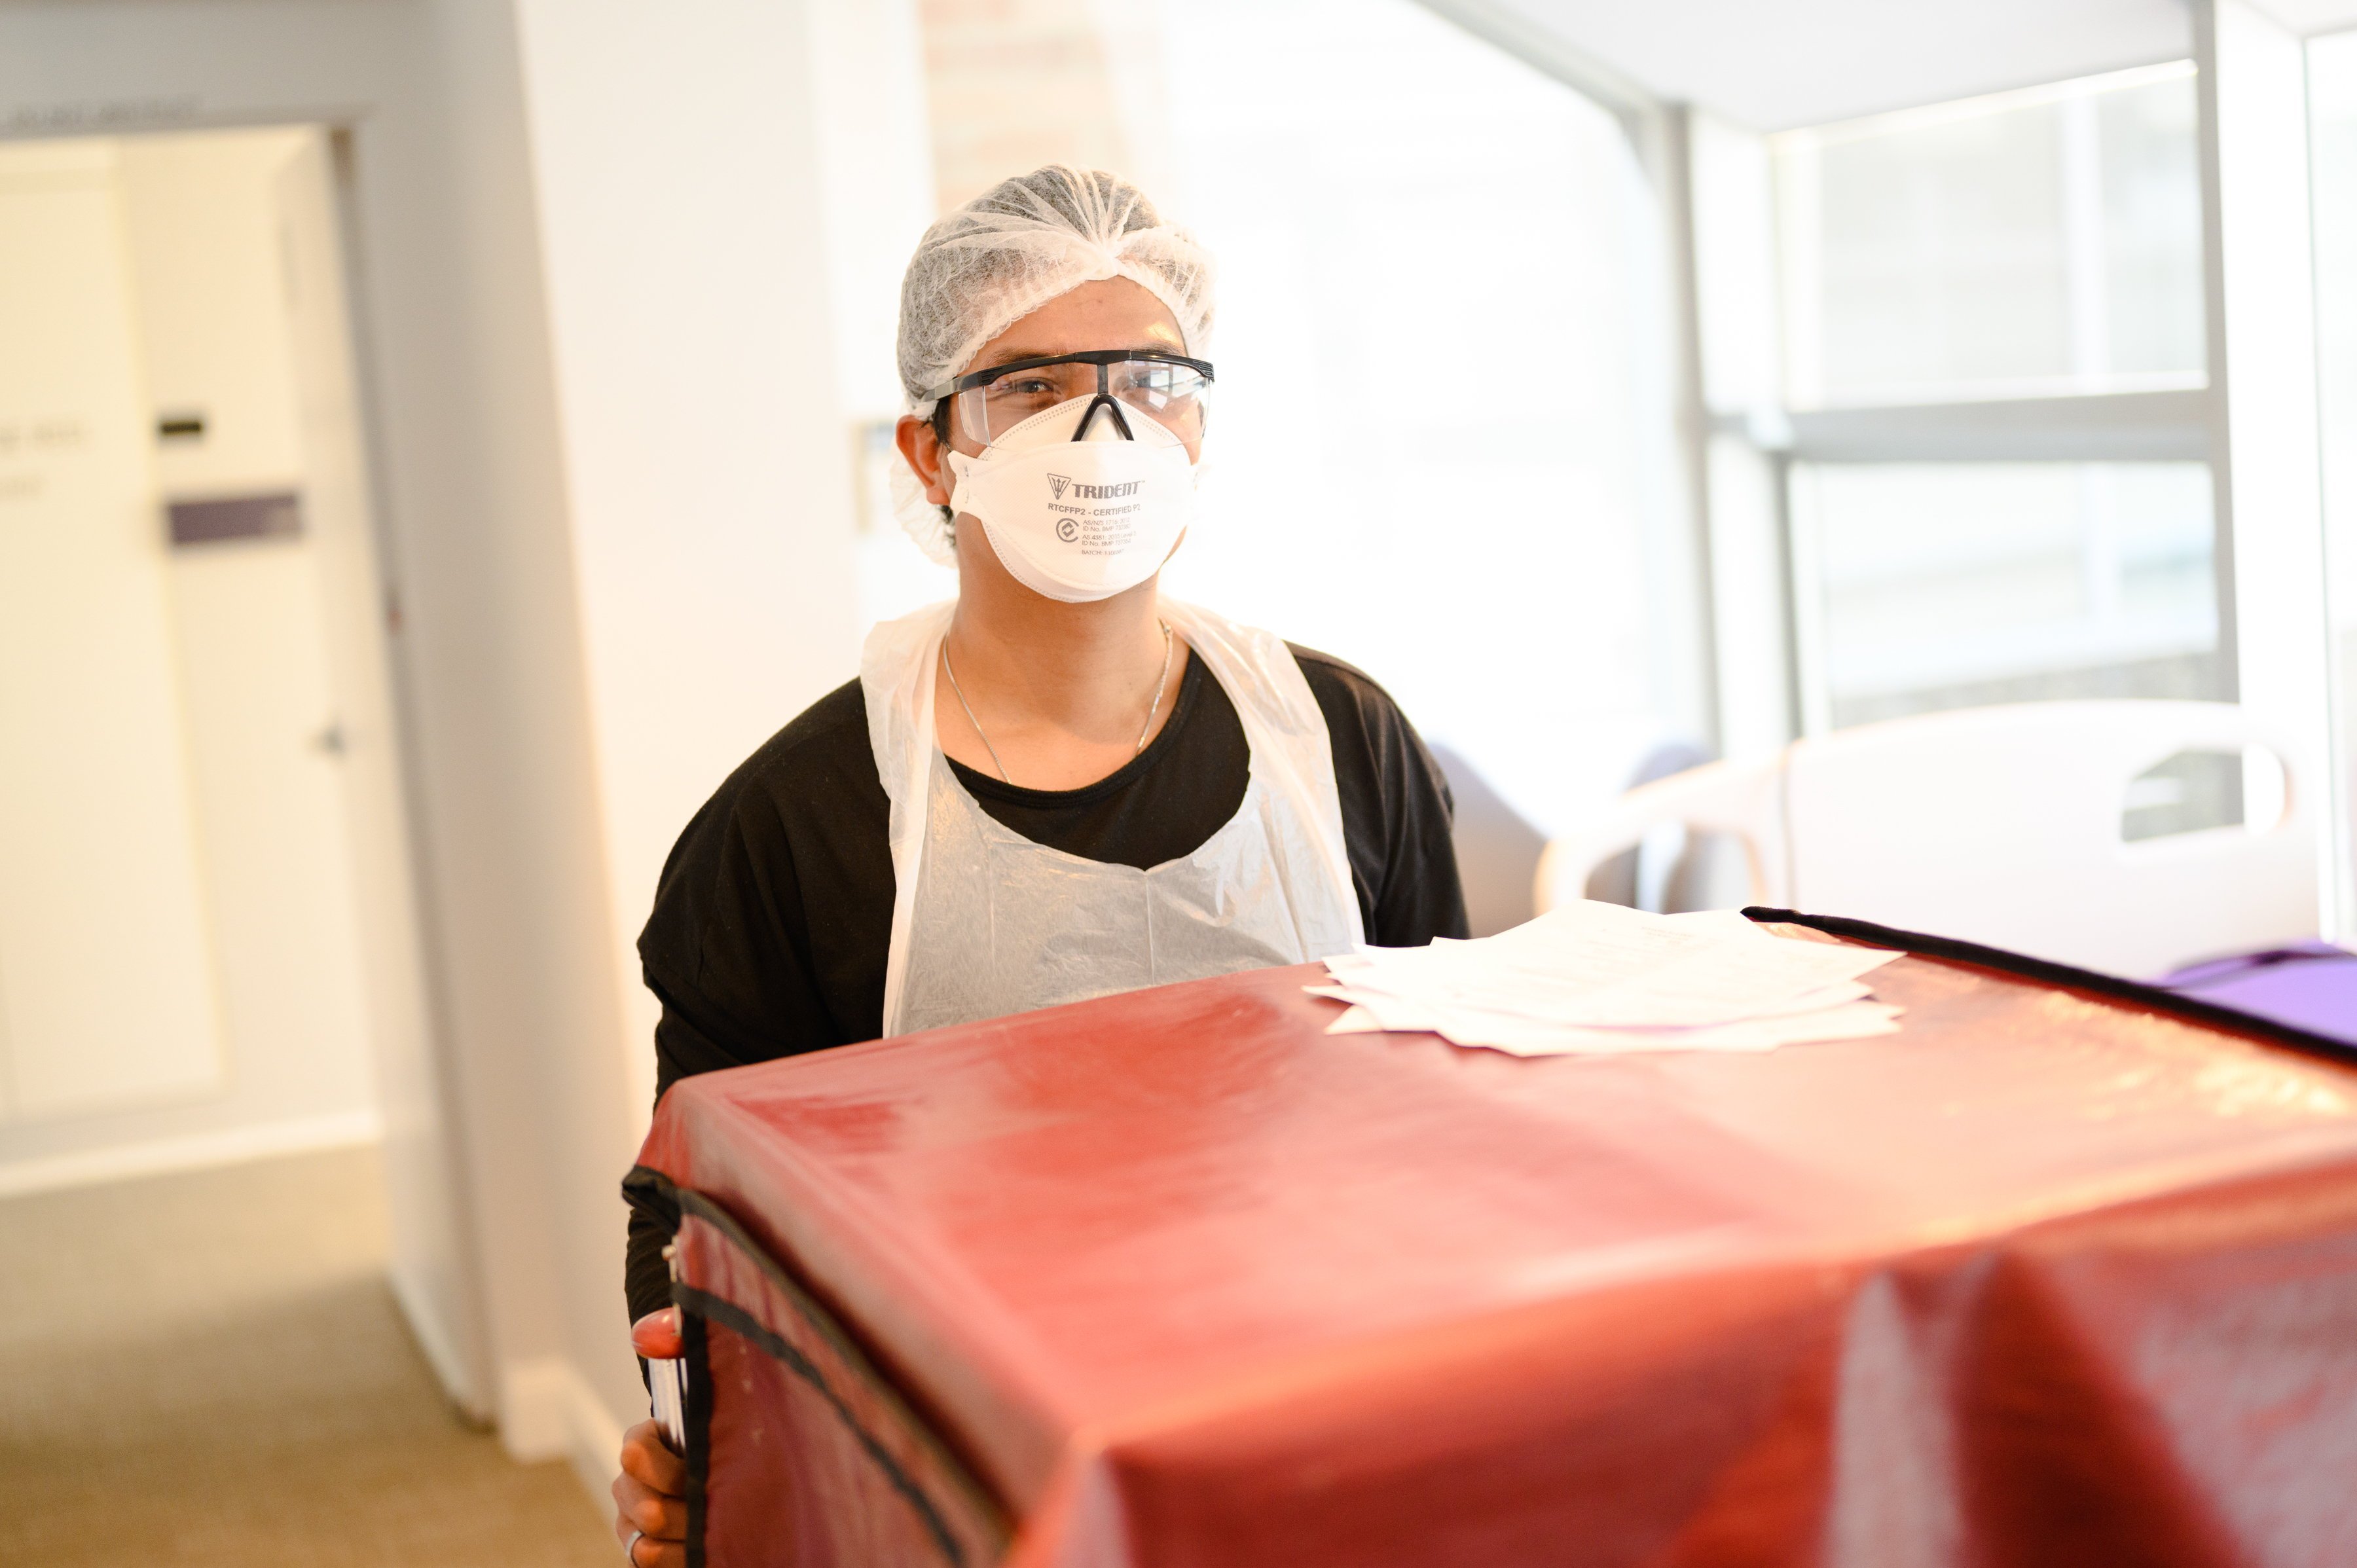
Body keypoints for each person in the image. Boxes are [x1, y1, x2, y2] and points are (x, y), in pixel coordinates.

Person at [610, 164, 1467, 1566]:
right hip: (969, 1476)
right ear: (932, 448)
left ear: (1200, 422)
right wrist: (707, 1455)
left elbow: (1452, 1099)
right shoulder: (796, 824)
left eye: (1150, 374)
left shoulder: (1342, 740)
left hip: (1328, 1420)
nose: (1104, 424)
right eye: (1033, 384)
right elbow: (699, 1218)